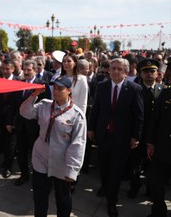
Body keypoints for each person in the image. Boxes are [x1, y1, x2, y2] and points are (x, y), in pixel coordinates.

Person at [19, 76, 86, 217]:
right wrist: (34, 95)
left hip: (61, 161)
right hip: (41, 157)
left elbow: (78, 144)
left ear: (69, 91)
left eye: (60, 89)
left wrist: (72, 170)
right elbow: (24, 112)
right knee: (40, 196)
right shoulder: (44, 105)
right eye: (54, 88)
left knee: (63, 198)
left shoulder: (76, 115)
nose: (56, 92)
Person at [88, 58, 144, 217]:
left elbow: (138, 116)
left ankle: (111, 201)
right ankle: (105, 187)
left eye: (119, 69)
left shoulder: (134, 89)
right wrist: (91, 128)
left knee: (116, 170)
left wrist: (135, 136)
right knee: (104, 167)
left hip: (122, 138)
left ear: (126, 72)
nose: (116, 71)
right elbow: (96, 108)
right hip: (103, 135)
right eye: (113, 68)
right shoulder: (102, 86)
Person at [127, 59, 164, 198]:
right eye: (145, 71)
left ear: (157, 73)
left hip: (155, 136)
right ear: (140, 73)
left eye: (152, 71)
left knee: (152, 166)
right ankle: (134, 186)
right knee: (135, 164)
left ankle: (150, 189)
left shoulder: (162, 90)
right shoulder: (134, 89)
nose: (149, 74)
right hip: (139, 134)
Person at [146, 84, 171, 217]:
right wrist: (151, 143)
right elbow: (155, 118)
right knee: (155, 182)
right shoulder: (166, 93)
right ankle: (158, 212)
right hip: (162, 147)